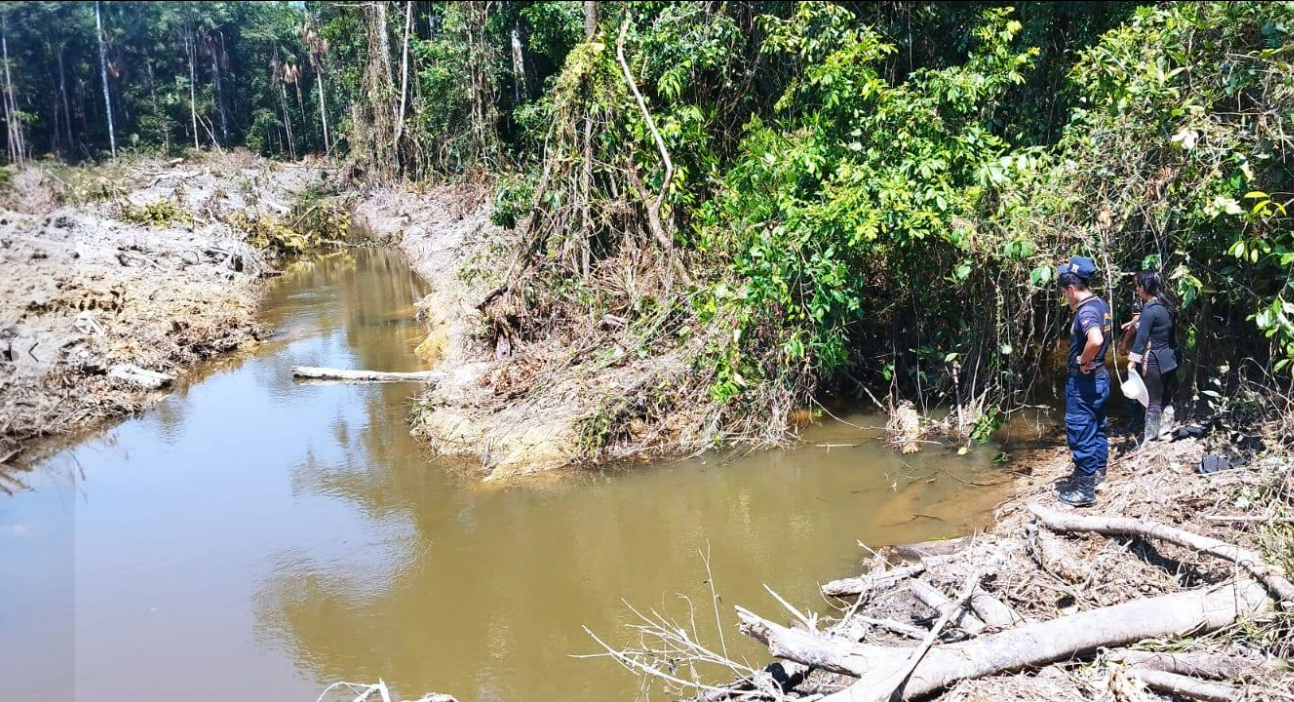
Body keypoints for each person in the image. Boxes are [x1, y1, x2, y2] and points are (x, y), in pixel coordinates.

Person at [1055, 256, 1112, 507]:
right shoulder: (1100, 304)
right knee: (1097, 426)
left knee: (1081, 431)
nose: (1065, 297)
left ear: (1070, 288)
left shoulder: (1087, 310)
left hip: (1085, 382)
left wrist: (1081, 360)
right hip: (1100, 377)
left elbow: (1096, 340)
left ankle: (1085, 491)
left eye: (1064, 292)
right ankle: (1097, 476)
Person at [1127, 270, 1179, 444]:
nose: (1136, 290)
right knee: (1166, 397)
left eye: (1137, 286)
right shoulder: (1167, 306)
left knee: (1152, 401)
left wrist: (1132, 362)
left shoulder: (1149, 310)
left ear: (1142, 288)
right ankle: (1165, 431)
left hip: (1155, 359)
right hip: (1171, 358)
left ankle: (1150, 439)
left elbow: (1141, 338)